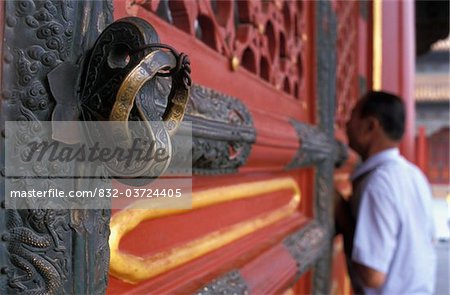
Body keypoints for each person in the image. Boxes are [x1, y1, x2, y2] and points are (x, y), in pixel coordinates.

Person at [335, 91, 436, 294]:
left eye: (353, 116)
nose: (346, 125)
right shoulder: (414, 174)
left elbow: (373, 276)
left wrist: (340, 213)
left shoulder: (378, 183)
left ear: (370, 126)